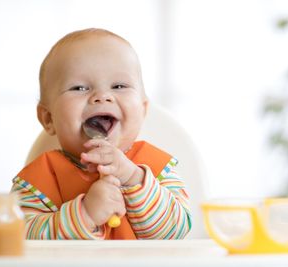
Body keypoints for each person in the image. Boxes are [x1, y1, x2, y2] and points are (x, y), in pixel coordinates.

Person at [11, 28, 191, 240]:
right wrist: (84, 215)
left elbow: (175, 232)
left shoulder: (158, 169)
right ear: (49, 118)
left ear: (142, 111)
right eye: (79, 88)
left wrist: (133, 178)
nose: (102, 96)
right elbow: (20, 238)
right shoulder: (38, 181)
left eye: (119, 85)